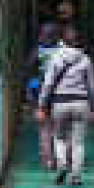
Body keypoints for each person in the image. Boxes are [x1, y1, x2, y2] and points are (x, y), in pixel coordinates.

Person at [36, 26, 94, 186]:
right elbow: (92, 87)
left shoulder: (56, 57)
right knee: (78, 142)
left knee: (59, 138)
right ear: (78, 42)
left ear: (62, 41)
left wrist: (41, 106)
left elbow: (48, 84)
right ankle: (75, 176)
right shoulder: (86, 59)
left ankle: (62, 165)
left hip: (60, 103)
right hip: (81, 103)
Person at [25, 22, 63, 169]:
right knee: (59, 128)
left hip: (40, 92)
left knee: (44, 128)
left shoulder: (37, 52)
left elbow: (28, 70)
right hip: (60, 92)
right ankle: (61, 160)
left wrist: (29, 91)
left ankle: (48, 160)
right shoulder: (63, 51)